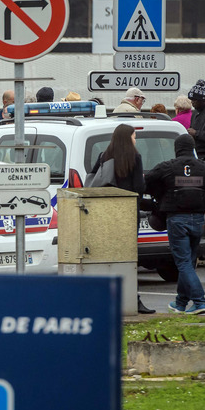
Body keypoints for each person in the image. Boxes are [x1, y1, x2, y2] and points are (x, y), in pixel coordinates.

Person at [145, 134, 205, 315]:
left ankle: (199, 301)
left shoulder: (167, 167)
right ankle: (180, 302)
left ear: (176, 149)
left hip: (177, 220)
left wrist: (160, 198)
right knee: (188, 261)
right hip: (198, 219)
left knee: (182, 262)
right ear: (193, 148)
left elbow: (145, 183)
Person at [89, 124, 152, 314]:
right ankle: (134, 299)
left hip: (107, 212)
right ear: (128, 138)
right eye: (134, 136)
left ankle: (105, 298)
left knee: (108, 256)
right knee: (129, 258)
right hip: (127, 212)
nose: (135, 140)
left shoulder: (104, 156)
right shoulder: (135, 157)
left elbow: (93, 180)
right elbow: (139, 187)